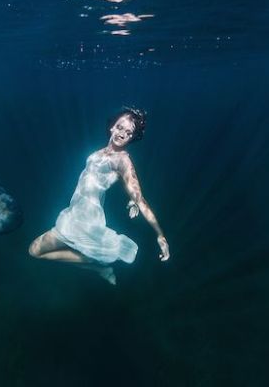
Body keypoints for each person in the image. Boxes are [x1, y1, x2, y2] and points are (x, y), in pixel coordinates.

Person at [28, 107, 169, 284]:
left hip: (85, 219)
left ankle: (97, 264)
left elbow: (140, 197)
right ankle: (99, 267)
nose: (122, 134)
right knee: (35, 251)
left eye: (129, 133)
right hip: (73, 214)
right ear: (112, 127)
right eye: (120, 127)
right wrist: (131, 200)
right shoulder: (102, 152)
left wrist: (159, 234)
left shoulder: (122, 160)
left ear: (132, 138)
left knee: (34, 250)